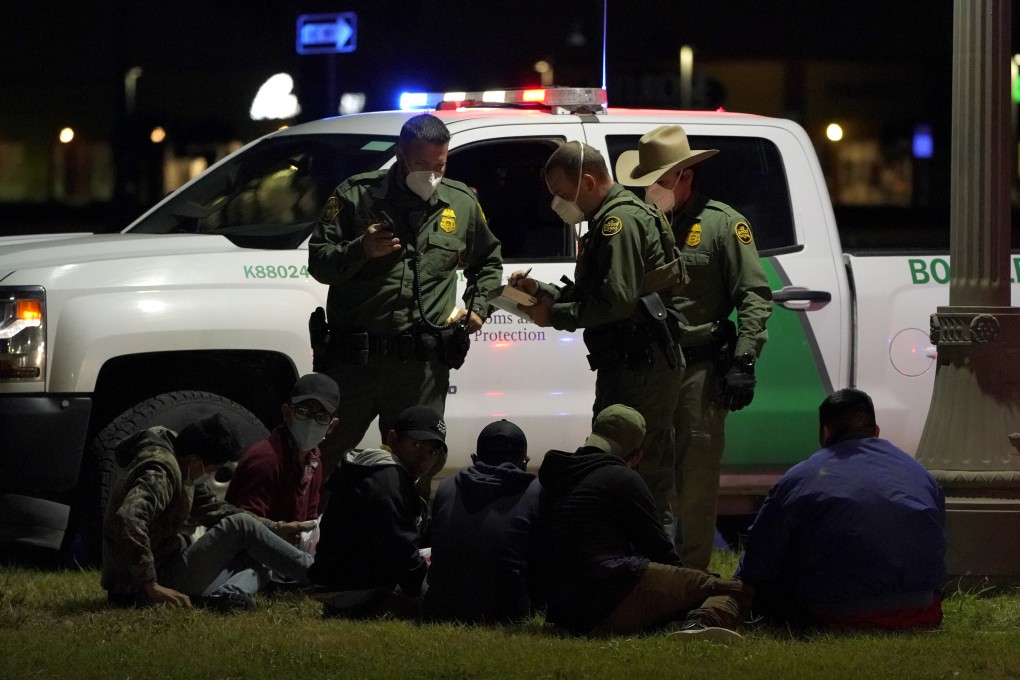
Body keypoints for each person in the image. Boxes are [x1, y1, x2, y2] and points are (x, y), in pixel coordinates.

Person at [308, 113, 503, 490]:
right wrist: (360, 249)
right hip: (354, 364)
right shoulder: (355, 196)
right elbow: (319, 262)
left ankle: (408, 545)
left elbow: (488, 262)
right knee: (320, 462)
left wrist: (479, 306)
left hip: (420, 370)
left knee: (416, 471)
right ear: (400, 155)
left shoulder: (460, 203)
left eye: (440, 165)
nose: (431, 174)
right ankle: (315, 541)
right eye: (420, 164)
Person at [615, 124, 773, 570]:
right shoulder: (638, 223)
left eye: (660, 180)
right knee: (648, 474)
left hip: (698, 368)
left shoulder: (722, 225)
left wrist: (744, 359)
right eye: (647, 181)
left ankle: (691, 580)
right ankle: (653, 573)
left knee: (697, 481)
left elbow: (754, 296)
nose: (652, 190)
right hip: (648, 366)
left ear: (685, 176)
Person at [510, 141, 684, 535]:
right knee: (627, 469)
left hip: (640, 365)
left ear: (587, 182)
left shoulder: (617, 223)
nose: (556, 203)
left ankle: (655, 570)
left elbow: (617, 302)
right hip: (632, 362)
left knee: (642, 476)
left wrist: (553, 314)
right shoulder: (610, 220)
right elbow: (600, 292)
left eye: (559, 193)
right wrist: (543, 292)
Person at [534, 404, 751, 642]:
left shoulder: (557, 477)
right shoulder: (622, 477)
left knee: (692, 588)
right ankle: (701, 625)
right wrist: (685, 584)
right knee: (733, 588)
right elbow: (658, 548)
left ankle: (680, 620)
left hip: (564, 611)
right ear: (636, 456)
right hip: (611, 593)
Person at [736, 388, 947, 631]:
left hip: (834, 612)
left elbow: (757, 561)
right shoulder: (920, 474)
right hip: (921, 610)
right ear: (876, 431)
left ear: (826, 432)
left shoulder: (801, 478)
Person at [101, 414, 314, 612]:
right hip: (137, 586)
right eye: (212, 469)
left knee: (265, 556)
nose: (210, 475)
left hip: (164, 564)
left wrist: (275, 528)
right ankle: (321, 574)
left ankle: (226, 596)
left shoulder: (182, 462)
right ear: (196, 461)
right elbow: (129, 517)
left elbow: (214, 509)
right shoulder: (162, 472)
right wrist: (151, 585)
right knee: (241, 525)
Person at [307, 405, 446, 619]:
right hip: (355, 588)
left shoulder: (375, 468)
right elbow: (402, 556)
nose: (423, 458)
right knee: (446, 596)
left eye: (432, 452)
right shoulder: (388, 482)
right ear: (392, 438)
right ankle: (376, 608)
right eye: (416, 444)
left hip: (337, 581)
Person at [423, 419, 542, 624]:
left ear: (474, 458)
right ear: (525, 461)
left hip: (442, 606)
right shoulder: (536, 492)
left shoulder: (447, 487)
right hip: (507, 610)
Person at [225, 373, 340, 541]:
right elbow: (244, 529)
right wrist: (279, 530)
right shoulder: (266, 460)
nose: (311, 422)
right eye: (303, 412)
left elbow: (310, 518)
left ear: (332, 426)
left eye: (321, 417)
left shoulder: (314, 461)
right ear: (287, 413)